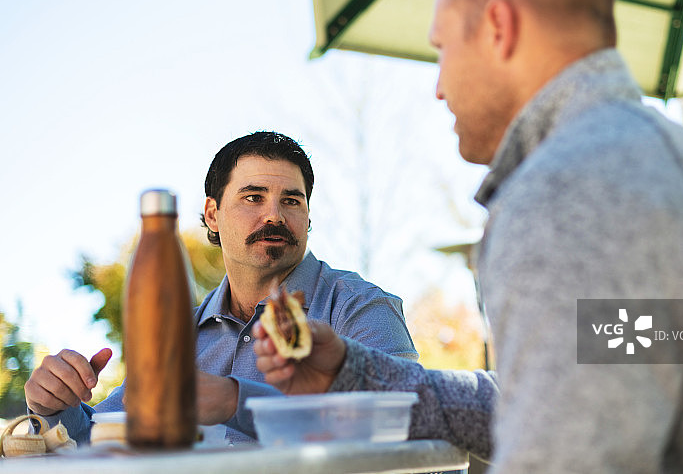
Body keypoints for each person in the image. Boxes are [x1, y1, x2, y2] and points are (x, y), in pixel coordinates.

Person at [254, 0, 683, 472]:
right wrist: (354, 373)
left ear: (499, 26)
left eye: (442, 49)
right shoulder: (646, 162)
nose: (439, 88)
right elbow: (568, 399)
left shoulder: (571, 189)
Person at [24, 131, 417, 445]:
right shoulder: (181, 332)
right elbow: (105, 437)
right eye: (253, 197)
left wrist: (236, 400)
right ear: (212, 215)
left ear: (308, 218)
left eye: (292, 201)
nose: (275, 215)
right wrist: (56, 407)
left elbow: (403, 426)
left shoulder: (360, 307)